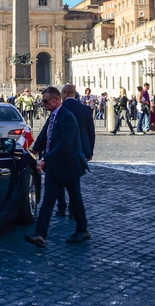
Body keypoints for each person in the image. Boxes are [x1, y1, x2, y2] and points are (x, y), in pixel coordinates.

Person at [23, 86, 90, 248]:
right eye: (42, 101)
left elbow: (64, 144)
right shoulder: (53, 116)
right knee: (47, 201)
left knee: (76, 200)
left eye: (46, 101)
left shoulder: (67, 117)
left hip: (70, 166)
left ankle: (82, 230)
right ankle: (40, 235)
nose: (43, 104)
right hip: (55, 167)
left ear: (57, 100)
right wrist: (34, 151)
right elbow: (45, 135)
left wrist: (45, 159)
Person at [56, 84, 95, 218]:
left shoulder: (60, 109)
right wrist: (90, 151)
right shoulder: (85, 109)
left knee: (59, 179)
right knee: (74, 181)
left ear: (65, 93)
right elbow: (91, 132)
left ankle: (61, 207)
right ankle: (73, 210)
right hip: (80, 150)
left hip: (61, 149)